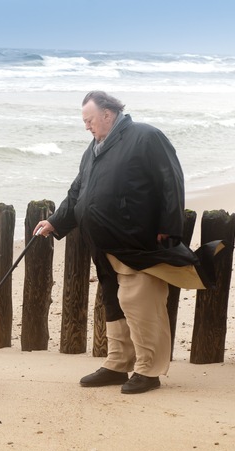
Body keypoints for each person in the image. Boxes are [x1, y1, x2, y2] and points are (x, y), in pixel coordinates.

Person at [34, 91, 187, 395]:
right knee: (114, 300)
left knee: (139, 301)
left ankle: (148, 370)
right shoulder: (94, 148)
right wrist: (56, 221)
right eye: (84, 121)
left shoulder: (146, 137)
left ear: (107, 114)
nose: (86, 126)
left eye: (89, 120)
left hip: (138, 239)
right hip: (103, 243)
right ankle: (118, 363)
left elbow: (171, 181)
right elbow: (78, 191)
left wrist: (168, 228)